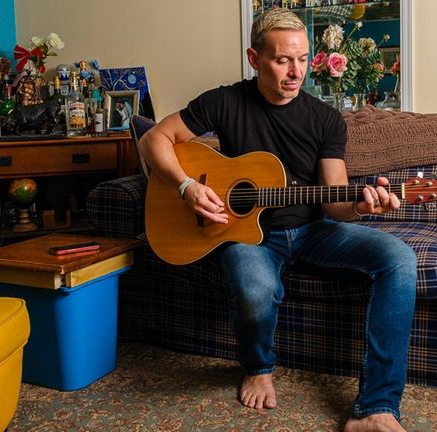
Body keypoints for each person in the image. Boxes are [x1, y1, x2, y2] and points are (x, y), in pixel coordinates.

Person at [140, 8, 416, 432]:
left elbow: (336, 202)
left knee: (399, 258)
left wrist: (361, 206)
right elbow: (153, 137)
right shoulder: (224, 101)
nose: (296, 72)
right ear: (254, 58)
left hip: (313, 231)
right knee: (255, 288)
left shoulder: (325, 119)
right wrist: (186, 187)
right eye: (283, 60)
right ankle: (258, 367)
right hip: (247, 234)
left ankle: (376, 408)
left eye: (303, 59)